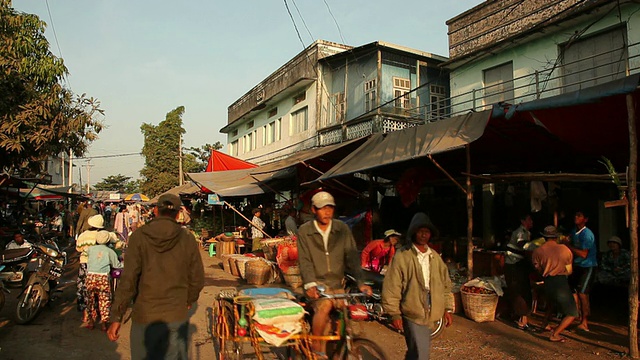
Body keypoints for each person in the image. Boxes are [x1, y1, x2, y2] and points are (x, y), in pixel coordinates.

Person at [108, 193, 204, 360]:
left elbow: (128, 280)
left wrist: (117, 316)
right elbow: (197, 278)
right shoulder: (187, 238)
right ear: (178, 214)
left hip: (145, 315)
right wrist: (189, 299)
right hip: (175, 315)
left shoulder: (139, 236)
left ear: (155, 211)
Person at [297, 191, 371, 358]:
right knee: (325, 306)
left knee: (346, 311)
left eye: (330, 207)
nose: (327, 212)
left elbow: (352, 257)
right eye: (323, 208)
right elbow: (305, 260)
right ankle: (316, 344)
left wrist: (361, 282)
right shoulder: (305, 231)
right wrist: (310, 284)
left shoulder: (341, 228)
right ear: (314, 210)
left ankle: (343, 345)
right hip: (317, 284)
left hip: (337, 284)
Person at [382, 214, 453, 360]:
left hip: (431, 309)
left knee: (416, 350)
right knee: (421, 354)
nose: (423, 234)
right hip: (412, 309)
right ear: (413, 232)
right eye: (420, 231)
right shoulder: (402, 256)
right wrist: (394, 313)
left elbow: (445, 285)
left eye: (427, 231)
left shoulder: (434, 257)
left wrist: (446, 308)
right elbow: (392, 285)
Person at [532, 226, 578, 343]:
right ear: (557, 237)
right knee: (572, 313)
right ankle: (555, 333)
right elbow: (569, 270)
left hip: (547, 280)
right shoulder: (565, 249)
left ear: (544, 237)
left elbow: (538, 269)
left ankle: (544, 325)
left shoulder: (538, 251)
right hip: (560, 280)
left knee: (551, 304)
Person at [566, 210, 597, 332]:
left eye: (579, 216)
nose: (576, 217)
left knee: (583, 294)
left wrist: (568, 246)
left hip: (587, 266)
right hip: (577, 266)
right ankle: (575, 316)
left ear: (585, 219)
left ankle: (585, 322)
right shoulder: (574, 231)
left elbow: (584, 254)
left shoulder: (587, 234)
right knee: (573, 292)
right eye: (575, 215)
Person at [85, 230, 122, 331]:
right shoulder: (110, 251)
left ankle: (91, 321)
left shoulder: (90, 249)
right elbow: (116, 265)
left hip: (90, 276)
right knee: (104, 300)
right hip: (103, 278)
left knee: (90, 300)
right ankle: (104, 324)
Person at [504, 214, 534, 330]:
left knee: (523, 289)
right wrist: (537, 245)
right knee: (519, 290)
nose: (531, 222)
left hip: (519, 264)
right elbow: (523, 245)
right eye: (529, 219)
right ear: (523, 221)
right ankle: (522, 318)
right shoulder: (520, 232)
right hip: (513, 264)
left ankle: (522, 317)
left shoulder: (527, 232)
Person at [76, 214, 105, 323]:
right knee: (98, 289)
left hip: (84, 264)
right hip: (98, 264)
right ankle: (97, 313)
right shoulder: (102, 235)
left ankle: (85, 315)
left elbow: (78, 249)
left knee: (84, 288)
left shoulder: (83, 235)